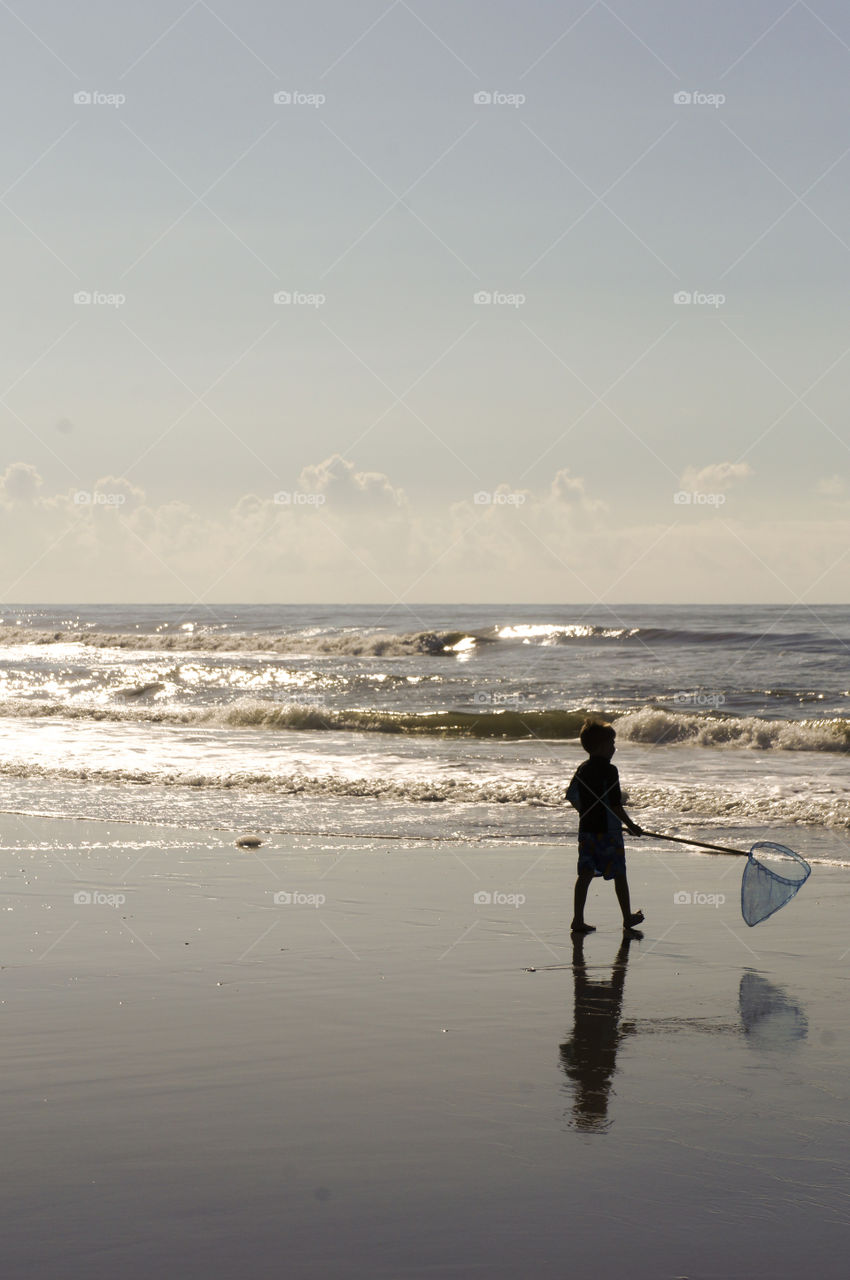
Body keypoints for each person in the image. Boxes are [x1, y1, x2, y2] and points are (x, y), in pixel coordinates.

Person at [566, 719, 644, 934]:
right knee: (619, 874)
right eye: (612, 743)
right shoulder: (610, 771)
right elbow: (615, 804)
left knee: (585, 873)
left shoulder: (582, 769)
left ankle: (578, 920)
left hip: (587, 830)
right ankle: (627, 917)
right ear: (601, 746)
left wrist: (586, 812)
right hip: (609, 833)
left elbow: (571, 795)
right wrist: (631, 825)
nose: (614, 748)